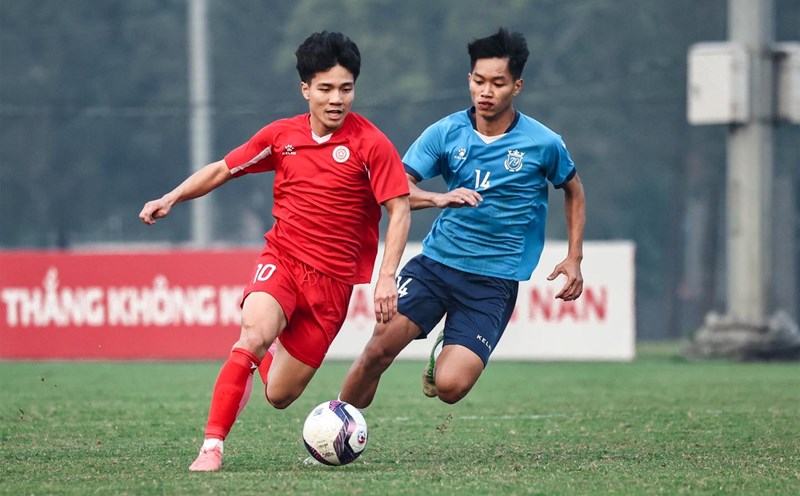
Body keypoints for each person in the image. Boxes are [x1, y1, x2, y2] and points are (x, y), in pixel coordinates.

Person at [138, 31, 410, 471]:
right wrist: (172, 197)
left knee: (280, 394)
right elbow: (223, 169)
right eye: (325, 88)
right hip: (281, 260)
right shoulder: (281, 136)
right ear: (305, 89)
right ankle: (212, 446)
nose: (336, 99)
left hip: (333, 286)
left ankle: (265, 352)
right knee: (251, 338)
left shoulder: (372, 145)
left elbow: (399, 208)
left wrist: (386, 275)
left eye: (345, 89)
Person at [339, 27, 585, 409]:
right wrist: (438, 198)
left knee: (450, 387)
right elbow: (395, 189)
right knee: (377, 352)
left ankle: (443, 351)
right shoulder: (445, 132)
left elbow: (573, 190)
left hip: (493, 280)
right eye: (479, 81)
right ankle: (336, 425)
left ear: (517, 86)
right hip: (436, 265)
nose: (486, 91)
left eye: (498, 83)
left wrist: (574, 257)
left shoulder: (543, 143)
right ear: (469, 79)